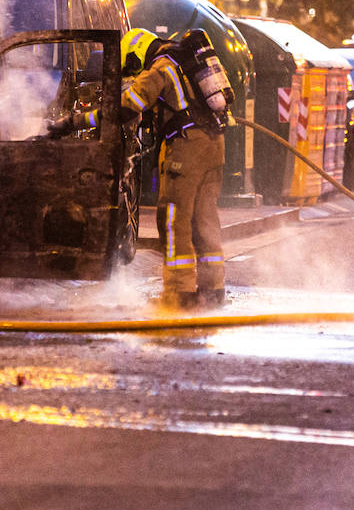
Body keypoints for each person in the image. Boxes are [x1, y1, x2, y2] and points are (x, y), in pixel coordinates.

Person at [50, 28, 226, 310]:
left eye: (132, 65)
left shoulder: (161, 67)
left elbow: (125, 107)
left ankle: (180, 293)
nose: (134, 71)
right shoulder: (187, 64)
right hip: (215, 144)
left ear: (136, 53)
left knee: (174, 218)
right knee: (205, 218)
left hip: (188, 148)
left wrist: (75, 121)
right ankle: (213, 289)